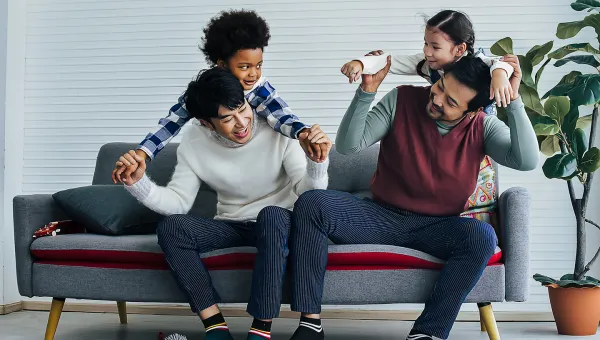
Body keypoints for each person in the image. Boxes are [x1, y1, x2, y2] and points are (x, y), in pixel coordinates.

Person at [287, 55, 539, 340]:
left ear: (473, 111)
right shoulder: (402, 99)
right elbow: (348, 146)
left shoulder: (482, 126)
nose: (439, 99)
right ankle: (310, 324)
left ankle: (427, 333)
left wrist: (514, 101)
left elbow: (527, 160)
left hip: (437, 228)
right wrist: (366, 92)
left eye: (452, 102)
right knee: (312, 204)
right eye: (442, 86)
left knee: (481, 236)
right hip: (379, 217)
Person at [120, 67, 331, 340]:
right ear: (207, 123)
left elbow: (309, 194)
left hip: (280, 222)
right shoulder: (195, 141)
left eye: (243, 109)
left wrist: (317, 163)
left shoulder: (279, 128)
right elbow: (178, 203)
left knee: (272, 215)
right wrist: (138, 183)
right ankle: (215, 328)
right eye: (227, 119)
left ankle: (261, 330)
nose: (242, 123)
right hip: (233, 224)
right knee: (172, 227)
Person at [112, 9, 326, 184]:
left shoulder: (260, 89)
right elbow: (170, 124)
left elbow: (282, 115)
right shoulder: (207, 92)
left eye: (259, 65)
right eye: (244, 67)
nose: (254, 73)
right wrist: (142, 154)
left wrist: (302, 132)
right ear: (222, 65)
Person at [340, 10, 514, 113]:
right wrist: (361, 64)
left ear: (459, 49)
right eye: (425, 43)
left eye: (435, 47)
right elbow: (390, 61)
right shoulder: (426, 64)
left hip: (477, 131)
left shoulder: (477, 64)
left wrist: (499, 74)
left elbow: (503, 64)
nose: (426, 51)